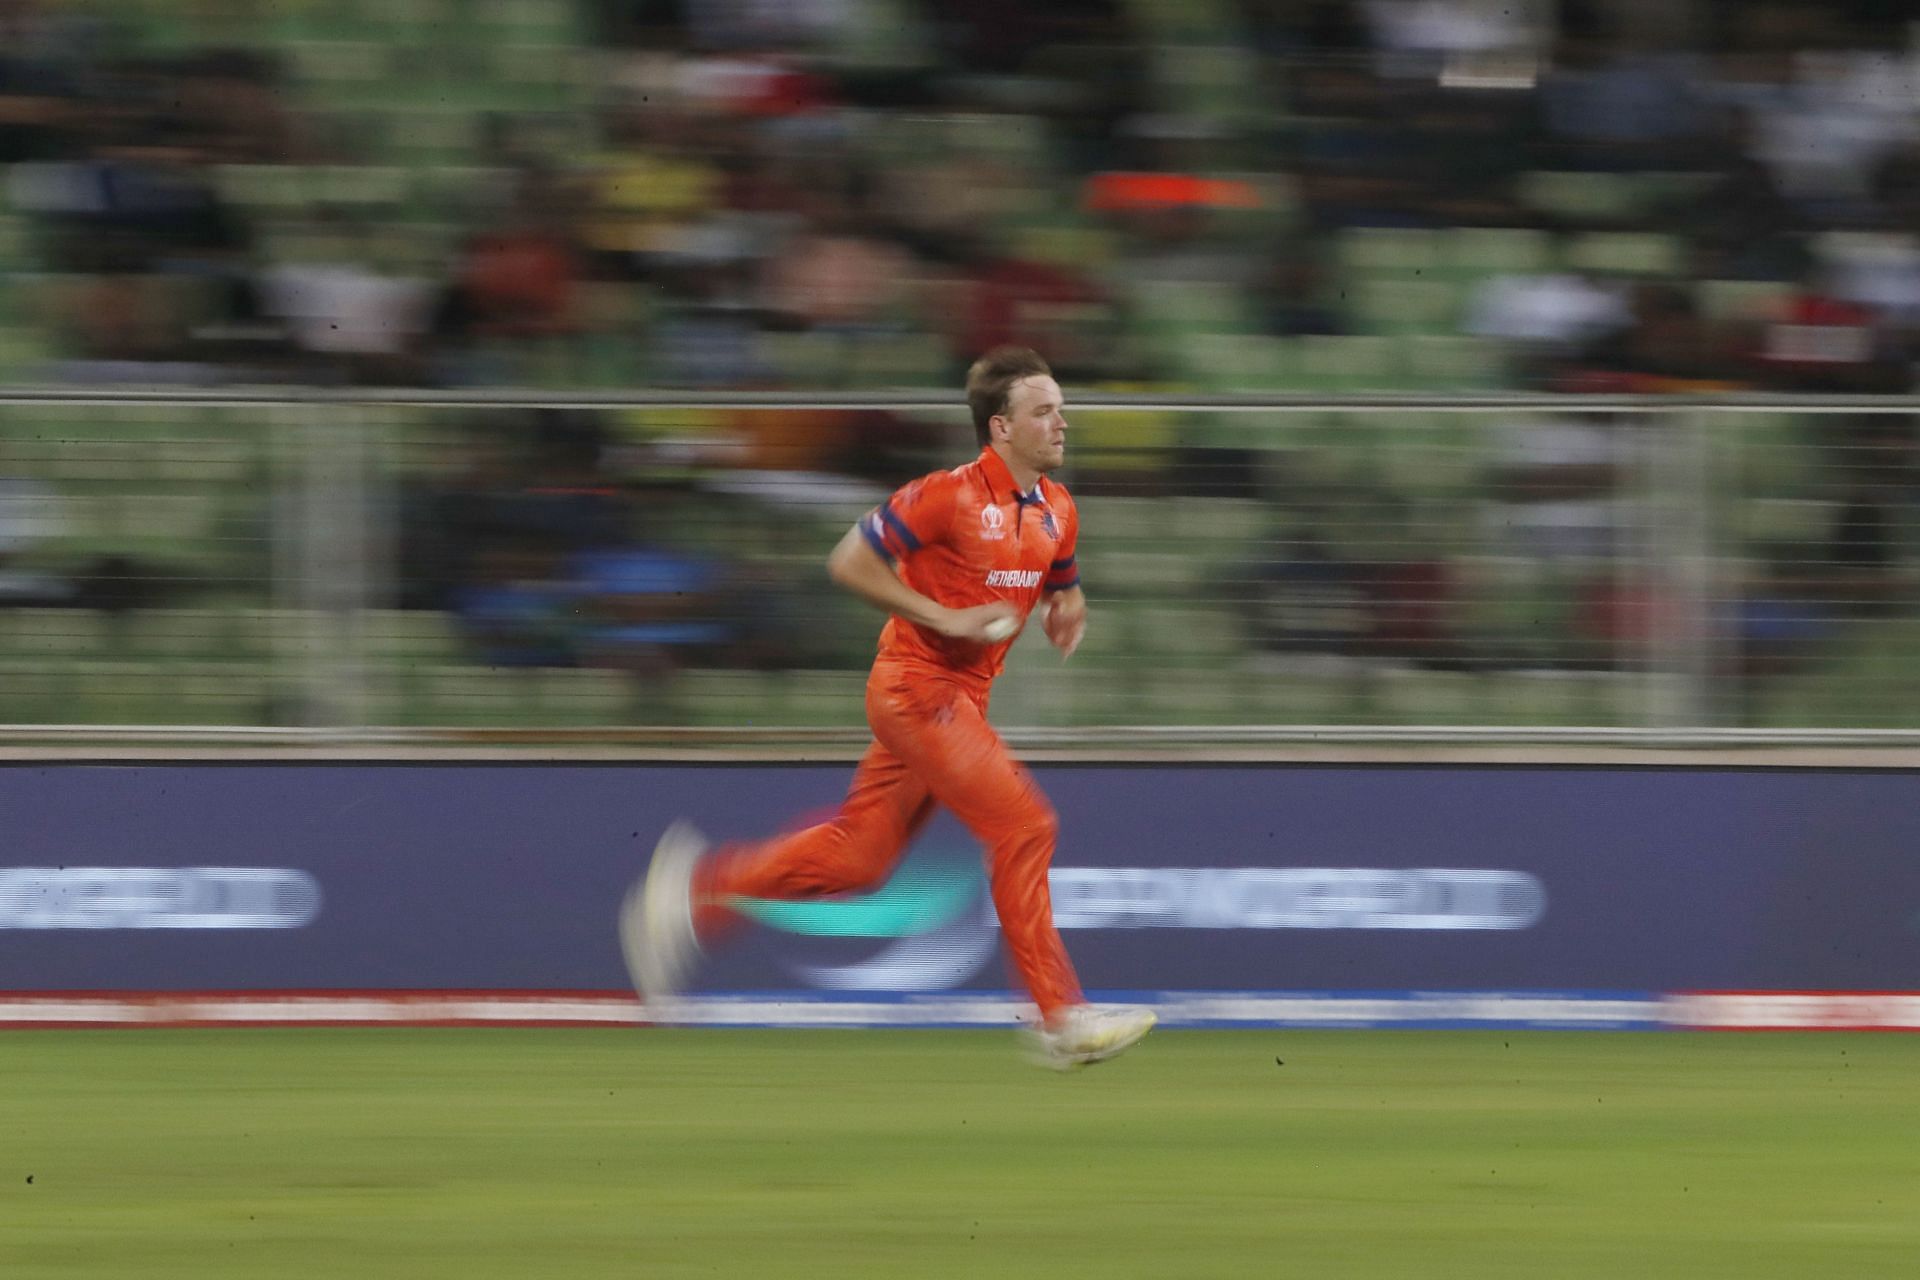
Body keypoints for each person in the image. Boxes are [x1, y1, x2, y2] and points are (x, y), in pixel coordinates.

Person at [620, 345, 1156, 1069]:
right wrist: (939, 613)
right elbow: (848, 561)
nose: (1063, 422)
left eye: (1062, 408)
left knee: (858, 859)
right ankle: (1060, 1017)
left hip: (959, 702)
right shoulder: (946, 495)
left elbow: (1061, 577)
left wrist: (1069, 607)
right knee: (1026, 824)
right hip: (916, 687)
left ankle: (699, 888)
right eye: (1045, 411)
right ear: (1001, 428)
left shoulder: (1057, 508)